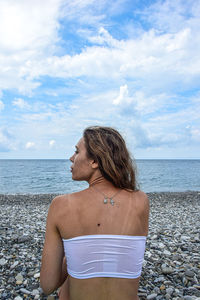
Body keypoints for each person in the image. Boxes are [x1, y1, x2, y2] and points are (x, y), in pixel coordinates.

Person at [40, 126, 149, 300]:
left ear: (94, 162)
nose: (71, 158)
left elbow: (47, 285)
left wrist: (73, 255)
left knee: (69, 285)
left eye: (77, 152)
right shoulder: (141, 201)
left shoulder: (61, 205)